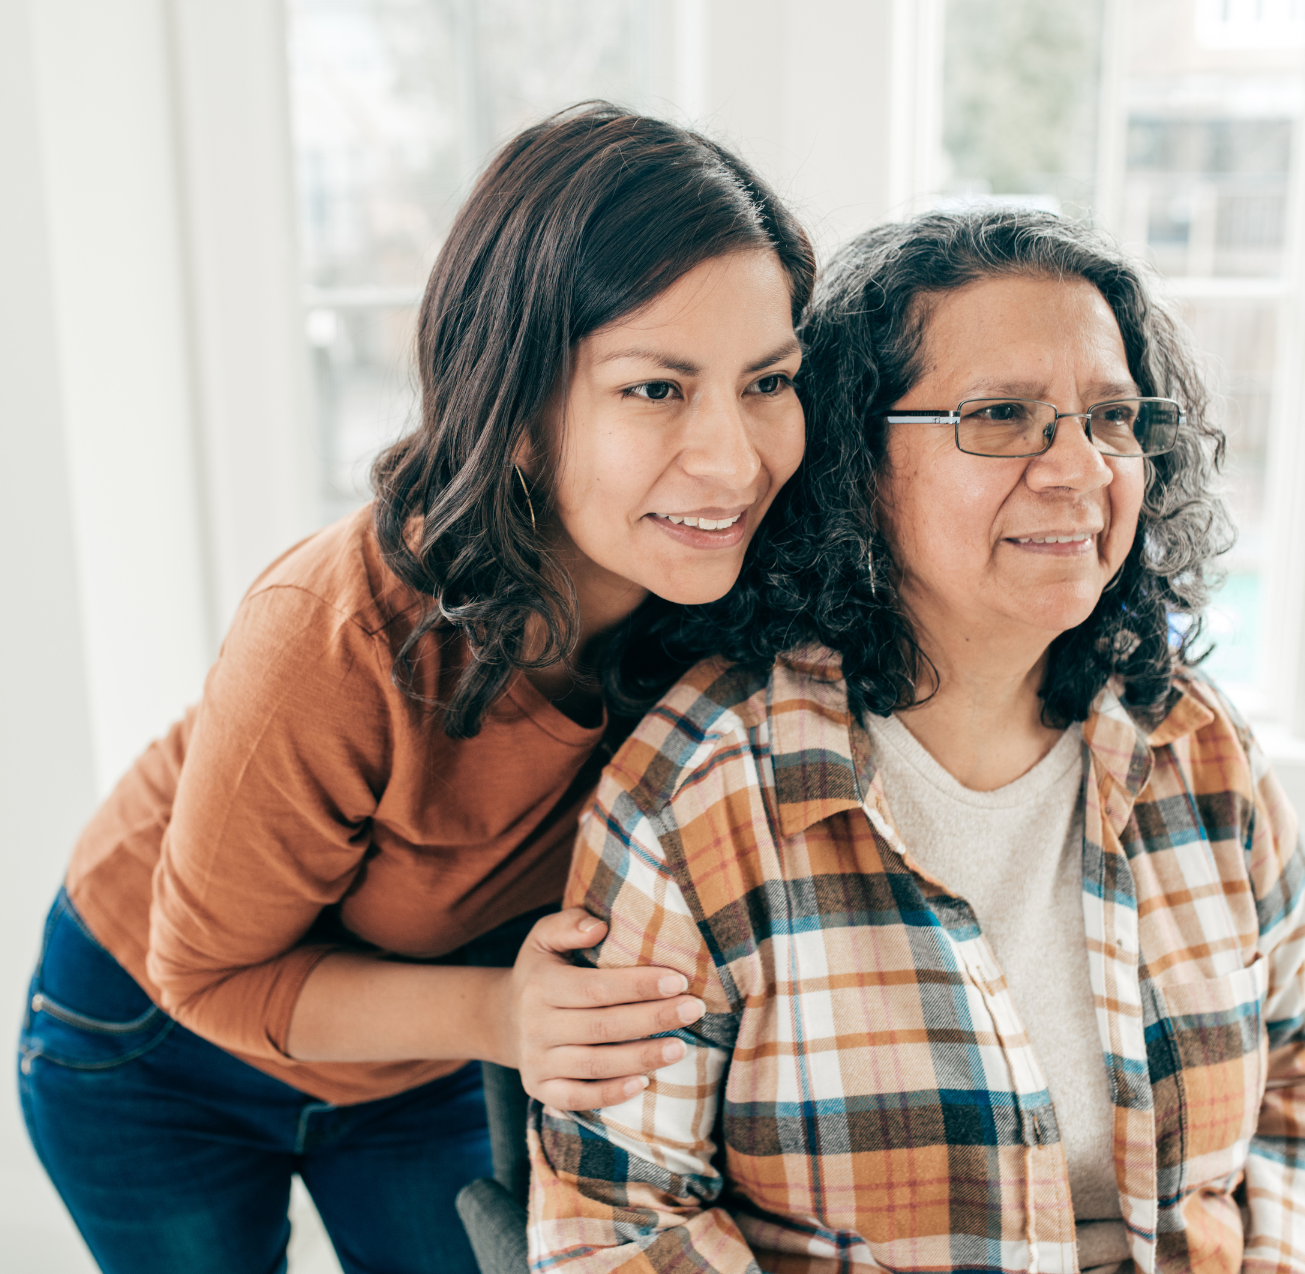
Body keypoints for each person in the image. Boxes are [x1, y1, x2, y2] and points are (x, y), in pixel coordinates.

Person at [18, 103, 815, 1274]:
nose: (734, 457)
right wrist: (500, 1014)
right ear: (521, 410)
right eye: (656, 388)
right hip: (155, 1040)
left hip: (419, 1048)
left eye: (767, 381)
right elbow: (210, 972)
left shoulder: (731, 606)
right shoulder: (332, 635)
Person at [529, 210, 1305, 1274]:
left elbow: (1294, 1084)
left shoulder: (1199, 747)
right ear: (857, 461)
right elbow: (616, 1227)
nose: (1080, 467)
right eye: (1002, 415)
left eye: (1111, 416)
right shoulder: (696, 798)